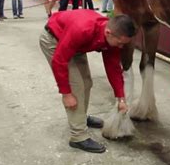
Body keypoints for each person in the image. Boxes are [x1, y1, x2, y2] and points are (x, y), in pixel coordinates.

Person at [39, 10, 137, 153]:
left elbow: (113, 68)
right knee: (76, 87)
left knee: (86, 82)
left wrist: (120, 98)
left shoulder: (112, 38)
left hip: (76, 45)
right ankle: (78, 137)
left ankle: (81, 118)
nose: (121, 47)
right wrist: (66, 94)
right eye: (120, 43)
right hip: (53, 40)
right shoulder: (83, 29)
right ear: (108, 33)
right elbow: (59, 61)